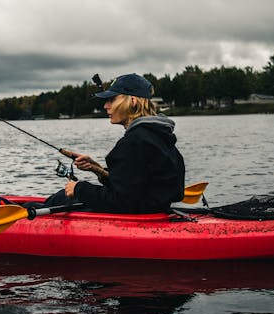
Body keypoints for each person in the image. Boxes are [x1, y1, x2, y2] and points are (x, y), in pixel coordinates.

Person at [45, 73, 185, 213]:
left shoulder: (133, 142)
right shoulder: (159, 136)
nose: (106, 105)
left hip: (138, 217)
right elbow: (137, 186)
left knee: (61, 198)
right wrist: (98, 169)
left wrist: (79, 188)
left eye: (112, 99)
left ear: (133, 101)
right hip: (154, 212)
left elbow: (122, 202)